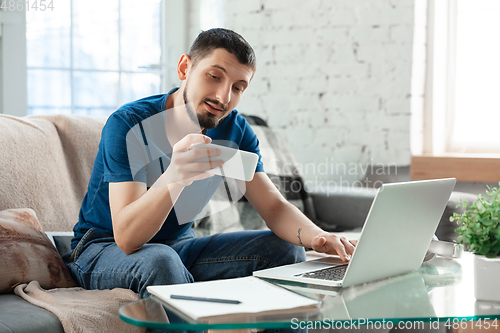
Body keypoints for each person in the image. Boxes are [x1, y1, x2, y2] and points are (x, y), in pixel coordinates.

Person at [65, 28, 356, 305]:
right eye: (214, 76)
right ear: (184, 68)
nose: (223, 97)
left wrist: (319, 237)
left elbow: (274, 208)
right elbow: (127, 239)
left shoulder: (235, 132)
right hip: (101, 249)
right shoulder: (129, 125)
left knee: (286, 248)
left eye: (238, 87)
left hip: (176, 247)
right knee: (160, 261)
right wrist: (175, 176)